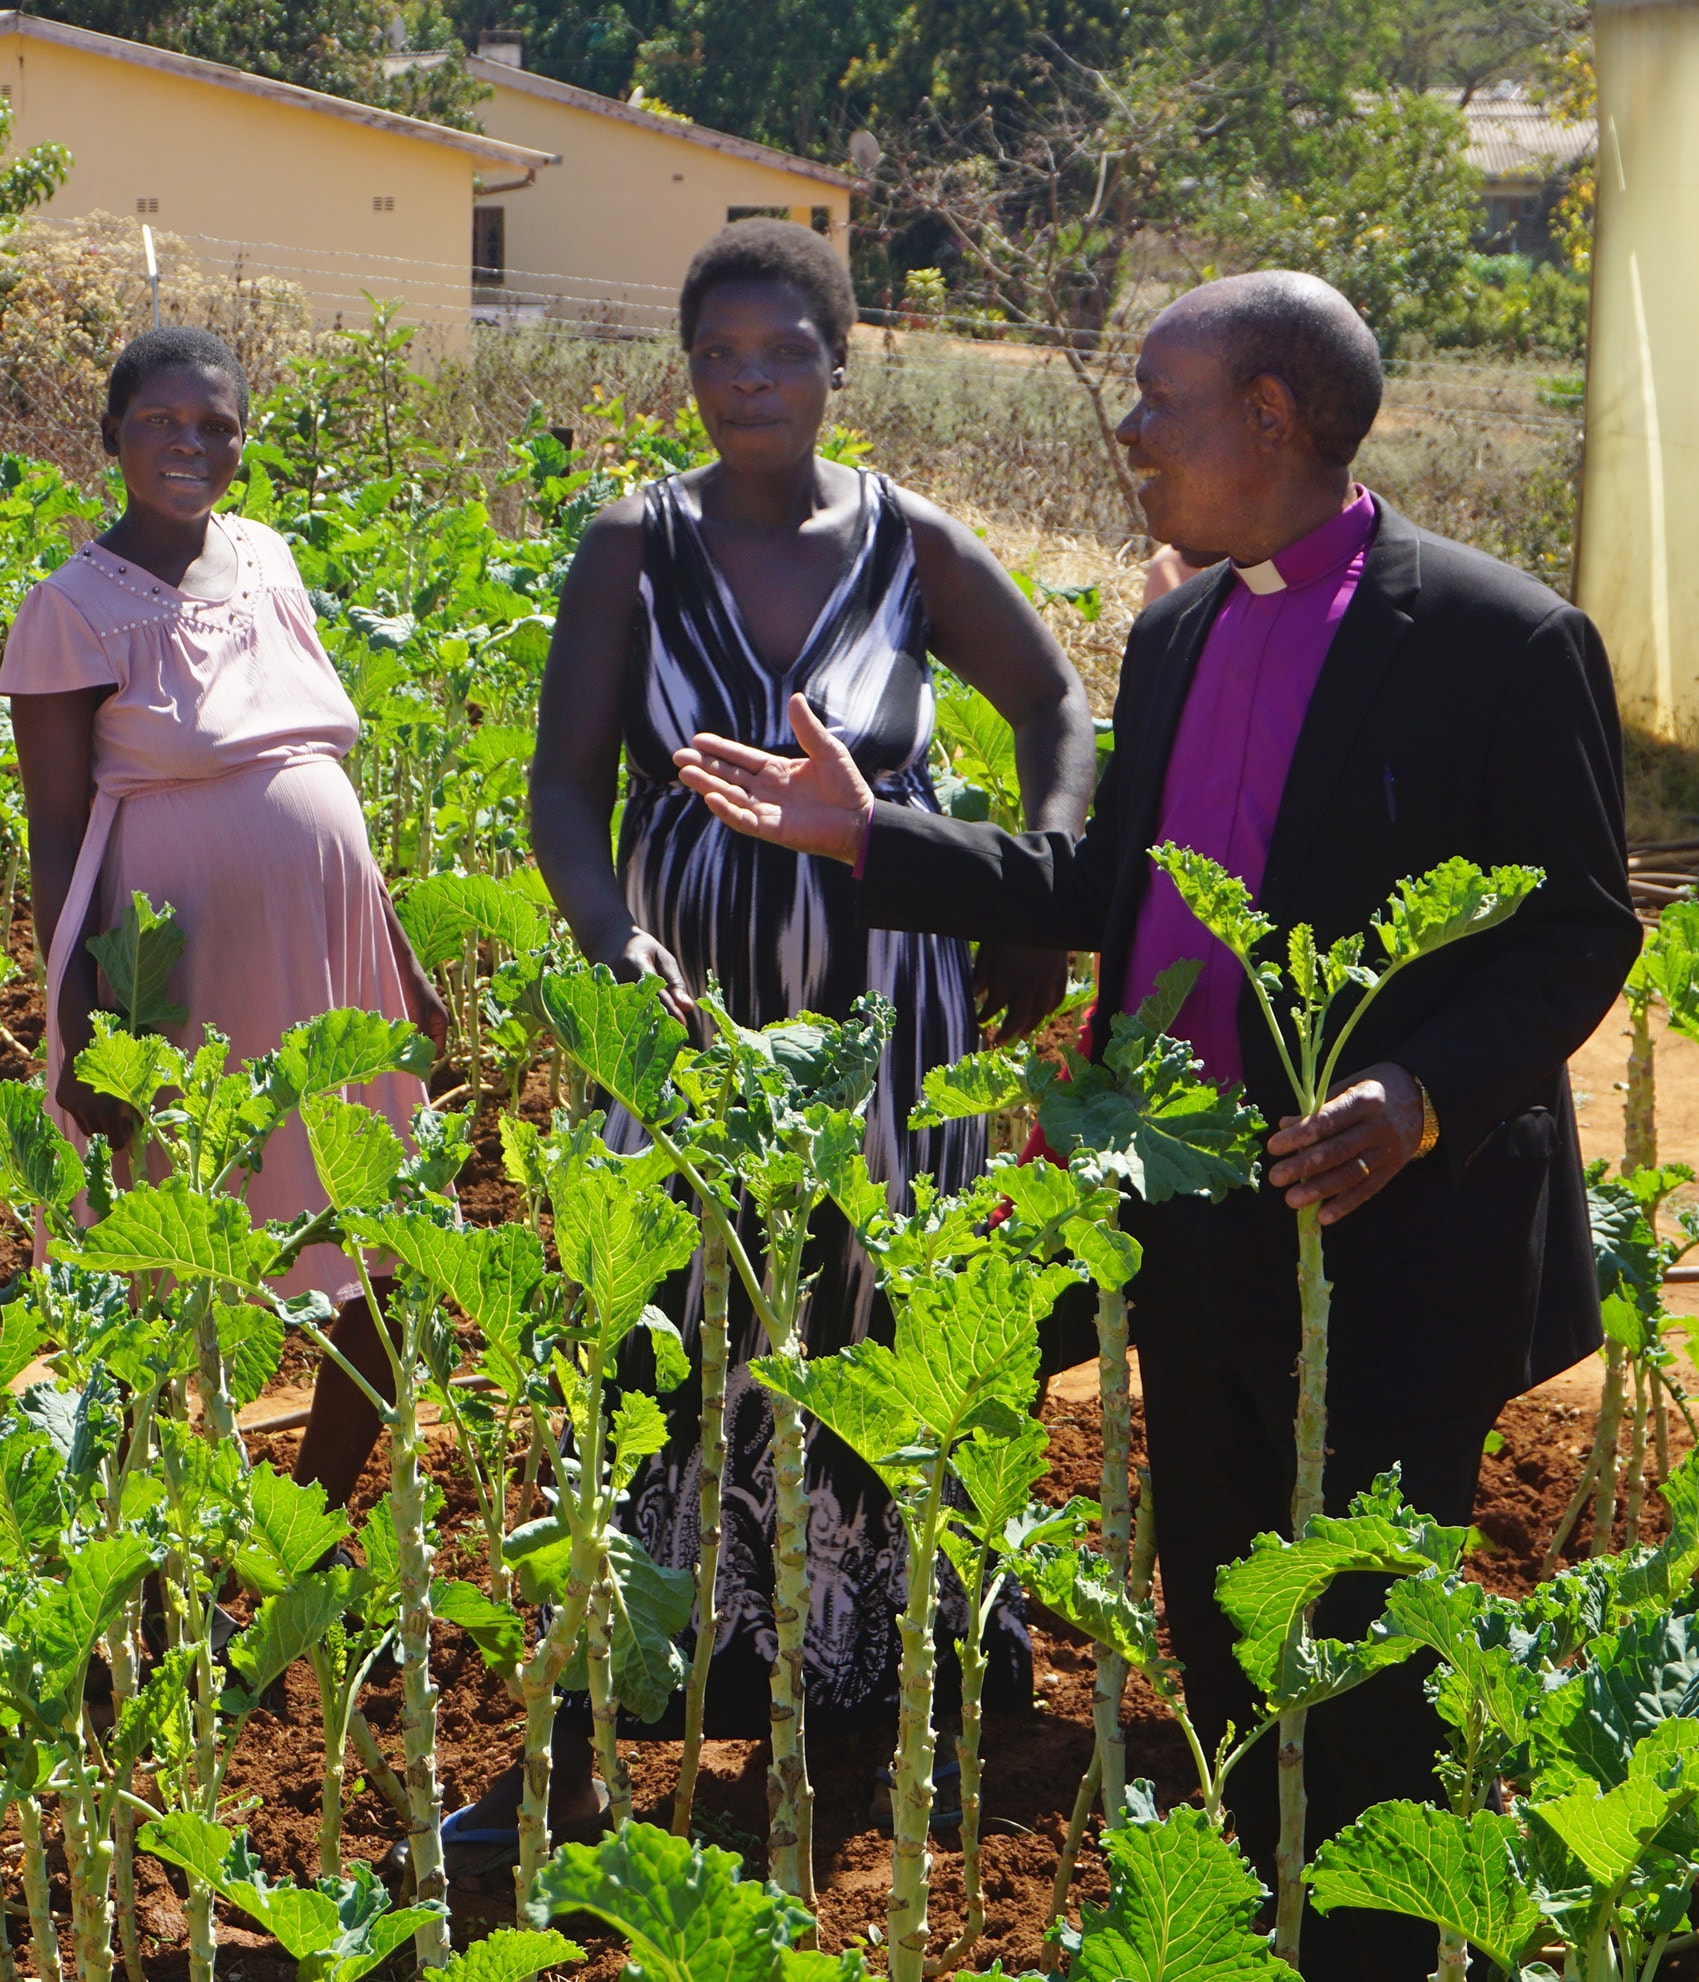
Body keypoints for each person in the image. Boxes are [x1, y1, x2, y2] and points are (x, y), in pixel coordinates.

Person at [674, 270, 1635, 1978]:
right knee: (1215, 1613)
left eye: (1158, 398)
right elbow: (1112, 893)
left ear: (1272, 417)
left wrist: (1417, 1094)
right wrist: (866, 837)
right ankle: (1265, 1931)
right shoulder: (1182, 628)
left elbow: (1579, 929)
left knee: (1362, 1654)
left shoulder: (1505, 639)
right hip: (1196, 1221)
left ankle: (1379, 1946)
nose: (1128, 430)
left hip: (1389, 1239)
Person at [449, 218, 1097, 1869]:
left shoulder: (910, 544)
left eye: (783, 351)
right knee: (666, 1344)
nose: (751, 381)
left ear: (839, 364)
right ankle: (588, 1746)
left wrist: (1040, 884)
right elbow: (560, 789)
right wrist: (619, 945)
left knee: (880, 1322)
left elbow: (1053, 704)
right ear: (689, 375)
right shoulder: (632, 548)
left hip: (893, 1026)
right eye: (722, 355)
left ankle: (886, 1727)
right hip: (686, 1027)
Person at [3, 325, 447, 1505]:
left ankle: (311, 1508)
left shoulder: (268, 556)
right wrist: (84, 1016)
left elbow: (315, 769)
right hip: (177, 966)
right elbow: (56, 829)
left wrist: (399, 956)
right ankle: (154, 1543)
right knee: (165, 1239)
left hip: (333, 946)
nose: (187, 443)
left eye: (214, 424)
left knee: (379, 1231)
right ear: (111, 438)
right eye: (158, 421)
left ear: (244, 445)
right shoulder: (70, 608)